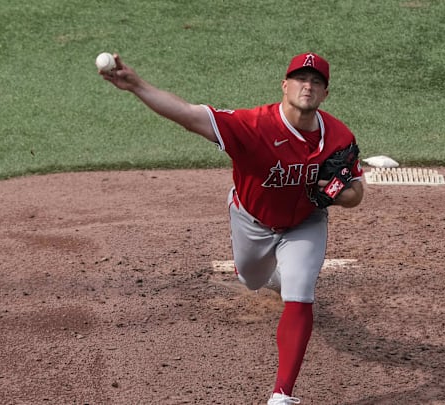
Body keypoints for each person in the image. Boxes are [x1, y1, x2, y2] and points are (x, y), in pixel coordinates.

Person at [100, 51, 364, 404]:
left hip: (305, 223)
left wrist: (336, 192)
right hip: (251, 220)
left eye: (317, 81)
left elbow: (356, 193)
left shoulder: (339, 136)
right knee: (252, 279)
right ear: (285, 86)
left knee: (301, 291)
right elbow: (190, 116)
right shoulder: (254, 126)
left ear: (325, 94)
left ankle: (282, 396)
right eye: (301, 79)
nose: (308, 86)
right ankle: (273, 278)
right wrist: (136, 85)